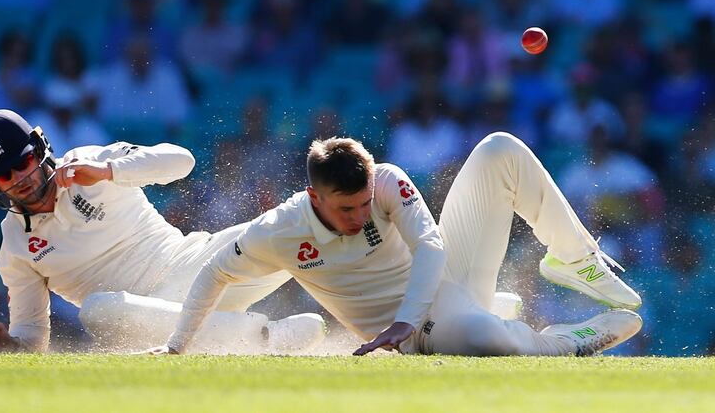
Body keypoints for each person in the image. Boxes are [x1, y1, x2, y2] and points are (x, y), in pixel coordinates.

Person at [152, 132, 643, 357]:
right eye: (347, 210)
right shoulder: (278, 231)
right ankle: (567, 342)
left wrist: (403, 316)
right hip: (422, 329)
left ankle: (571, 255)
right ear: (313, 197)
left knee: (499, 149)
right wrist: (177, 346)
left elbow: (431, 244)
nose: (361, 216)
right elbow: (215, 272)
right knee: (487, 339)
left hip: (440, 290)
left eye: (365, 203)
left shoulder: (384, 181)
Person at [0, 109, 325, 354]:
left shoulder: (89, 161)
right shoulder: (15, 246)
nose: (19, 180)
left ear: (41, 149)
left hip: (194, 264)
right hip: (140, 317)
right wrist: (12, 346)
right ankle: (265, 339)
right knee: (97, 310)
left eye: (22, 163)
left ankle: (378, 310)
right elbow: (31, 335)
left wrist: (108, 170)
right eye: (2, 175)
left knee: (297, 221)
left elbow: (182, 162)